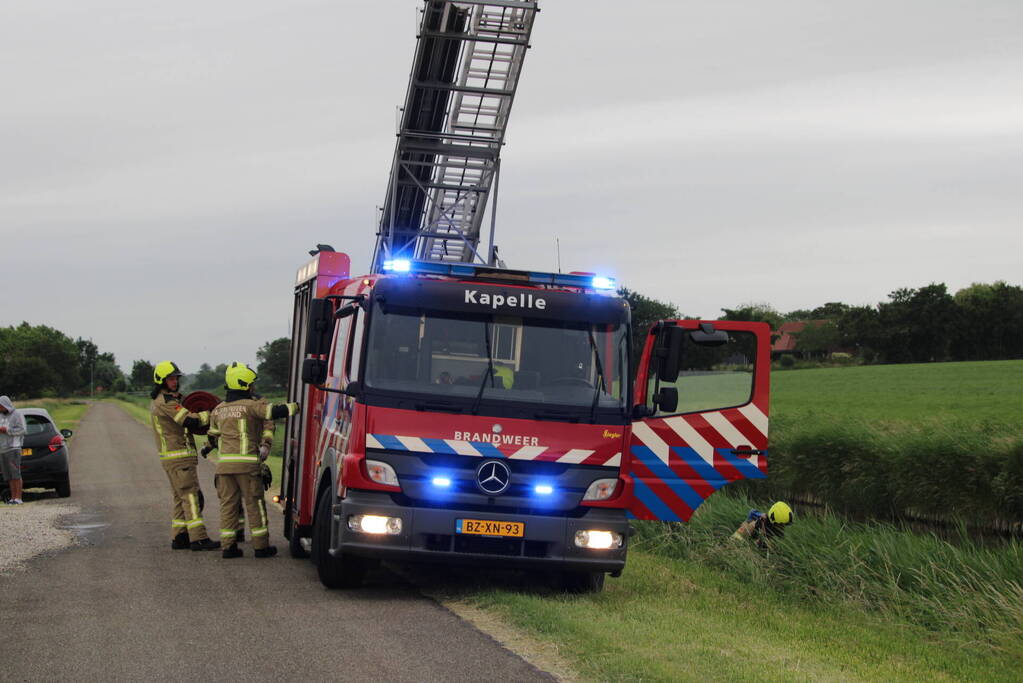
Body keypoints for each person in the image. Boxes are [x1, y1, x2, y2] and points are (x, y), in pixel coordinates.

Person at [207, 362, 299, 559]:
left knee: (228, 507)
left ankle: (228, 547)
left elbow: (212, 437)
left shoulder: (218, 410)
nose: (253, 388)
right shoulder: (250, 406)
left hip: (224, 467)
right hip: (247, 466)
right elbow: (272, 412)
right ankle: (260, 546)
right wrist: (298, 406)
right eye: (251, 384)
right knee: (254, 504)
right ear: (244, 385)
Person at [150, 361, 220, 551]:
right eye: (171, 378)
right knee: (191, 497)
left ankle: (180, 537)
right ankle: (198, 539)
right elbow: (189, 420)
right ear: (161, 381)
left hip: (175, 458)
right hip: (179, 458)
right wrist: (211, 413)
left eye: (176, 378)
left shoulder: (167, 400)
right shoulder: (166, 403)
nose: (175, 382)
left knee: (180, 498)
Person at [0, 396, 27, 504]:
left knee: (15, 474)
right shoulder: (1, 415)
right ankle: (13, 498)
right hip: (2, 449)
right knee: (8, 475)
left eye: (0, 406)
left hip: (13, 448)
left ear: (5, 404)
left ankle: (18, 498)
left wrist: (7, 430)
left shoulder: (17, 414)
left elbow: (22, 430)